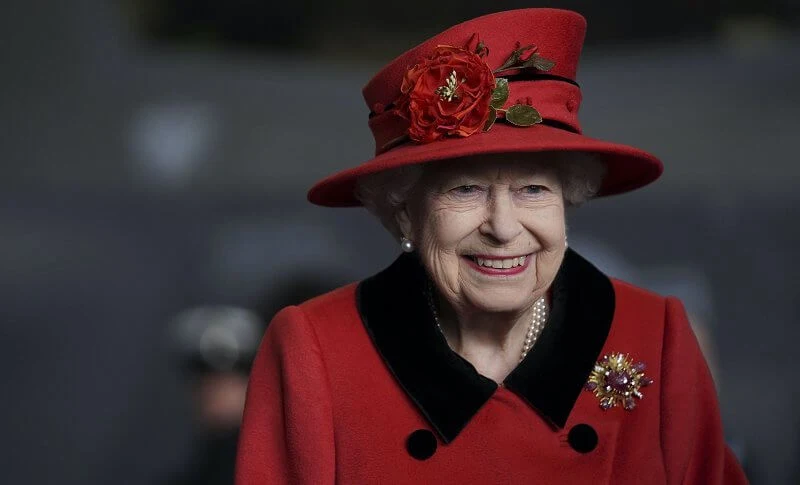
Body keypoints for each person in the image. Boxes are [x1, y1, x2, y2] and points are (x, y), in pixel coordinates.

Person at [235, 8, 748, 484]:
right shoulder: (316, 351)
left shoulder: (655, 336)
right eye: (465, 189)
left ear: (568, 199)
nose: (504, 227)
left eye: (533, 189)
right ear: (403, 210)